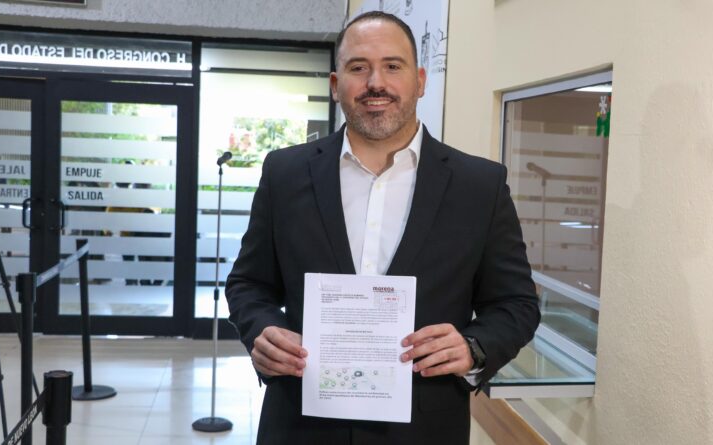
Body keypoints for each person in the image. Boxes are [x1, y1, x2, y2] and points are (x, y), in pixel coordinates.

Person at [226, 11, 540, 445]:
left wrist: (473, 348)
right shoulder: (285, 172)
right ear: (336, 84)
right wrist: (261, 331)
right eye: (358, 67)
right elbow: (248, 284)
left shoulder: (479, 186)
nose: (376, 82)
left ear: (420, 81)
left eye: (393, 66)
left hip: (424, 429)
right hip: (300, 424)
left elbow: (516, 304)